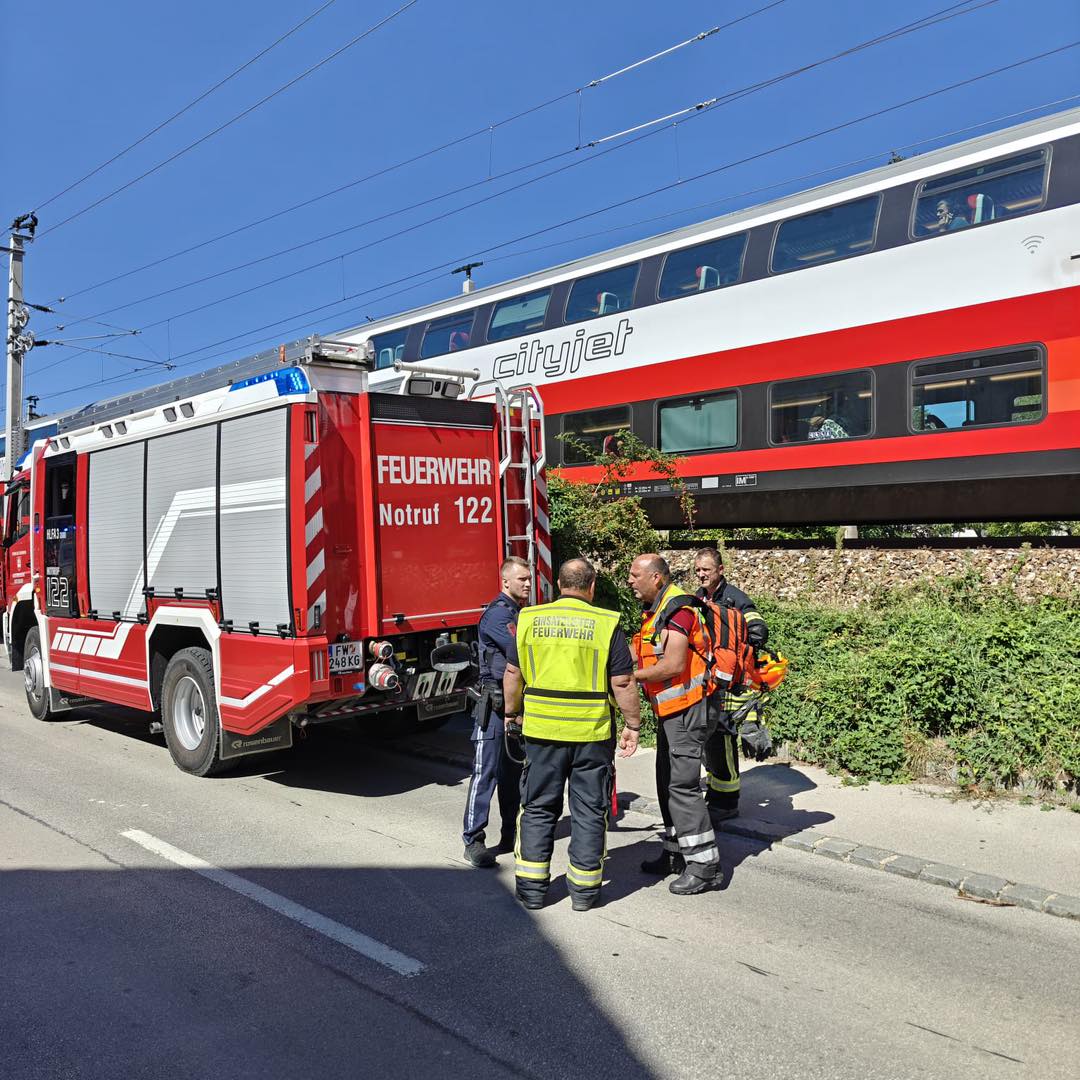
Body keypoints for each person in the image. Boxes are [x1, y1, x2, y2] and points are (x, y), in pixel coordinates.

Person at [502, 558, 640, 912]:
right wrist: (633, 725)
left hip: (541, 733)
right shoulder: (606, 623)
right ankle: (584, 892)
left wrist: (511, 713)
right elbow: (623, 682)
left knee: (537, 808)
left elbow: (513, 674)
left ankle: (532, 890)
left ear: (558, 584)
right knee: (589, 810)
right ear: (591, 586)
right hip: (591, 734)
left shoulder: (529, 619)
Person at [629, 554, 720, 895]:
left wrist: (629, 677)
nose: (629, 580)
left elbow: (673, 665)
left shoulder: (679, 610)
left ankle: (705, 867)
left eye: (635, 575)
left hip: (688, 710)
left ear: (656, 577)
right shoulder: (657, 611)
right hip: (671, 712)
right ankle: (675, 853)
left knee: (682, 787)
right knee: (667, 782)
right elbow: (642, 652)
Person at [461, 556, 532, 868]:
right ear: (505, 582)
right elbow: (522, 651)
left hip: (514, 704)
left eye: (529, 578)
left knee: (512, 773)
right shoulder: (498, 615)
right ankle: (473, 840)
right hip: (493, 706)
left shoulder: (518, 612)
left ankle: (509, 834)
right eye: (521, 579)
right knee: (485, 773)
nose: (528, 583)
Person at [693, 547, 769, 822]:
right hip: (707, 680)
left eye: (706, 570)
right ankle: (716, 793)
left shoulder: (735, 598)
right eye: (698, 570)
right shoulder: (700, 596)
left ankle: (726, 802)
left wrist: (734, 657)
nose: (701, 574)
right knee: (709, 739)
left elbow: (759, 630)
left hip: (728, 683)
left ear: (720, 570)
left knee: (721, 737)